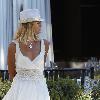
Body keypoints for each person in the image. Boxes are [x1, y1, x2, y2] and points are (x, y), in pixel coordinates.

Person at [2, 9, 50, 100]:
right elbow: (11, 73)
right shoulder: (13, 46)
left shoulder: (45, 44)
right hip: (19, 90)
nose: (41, 25)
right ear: (29, 25)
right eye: (38, 23)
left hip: (40, 91)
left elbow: (40, 69)